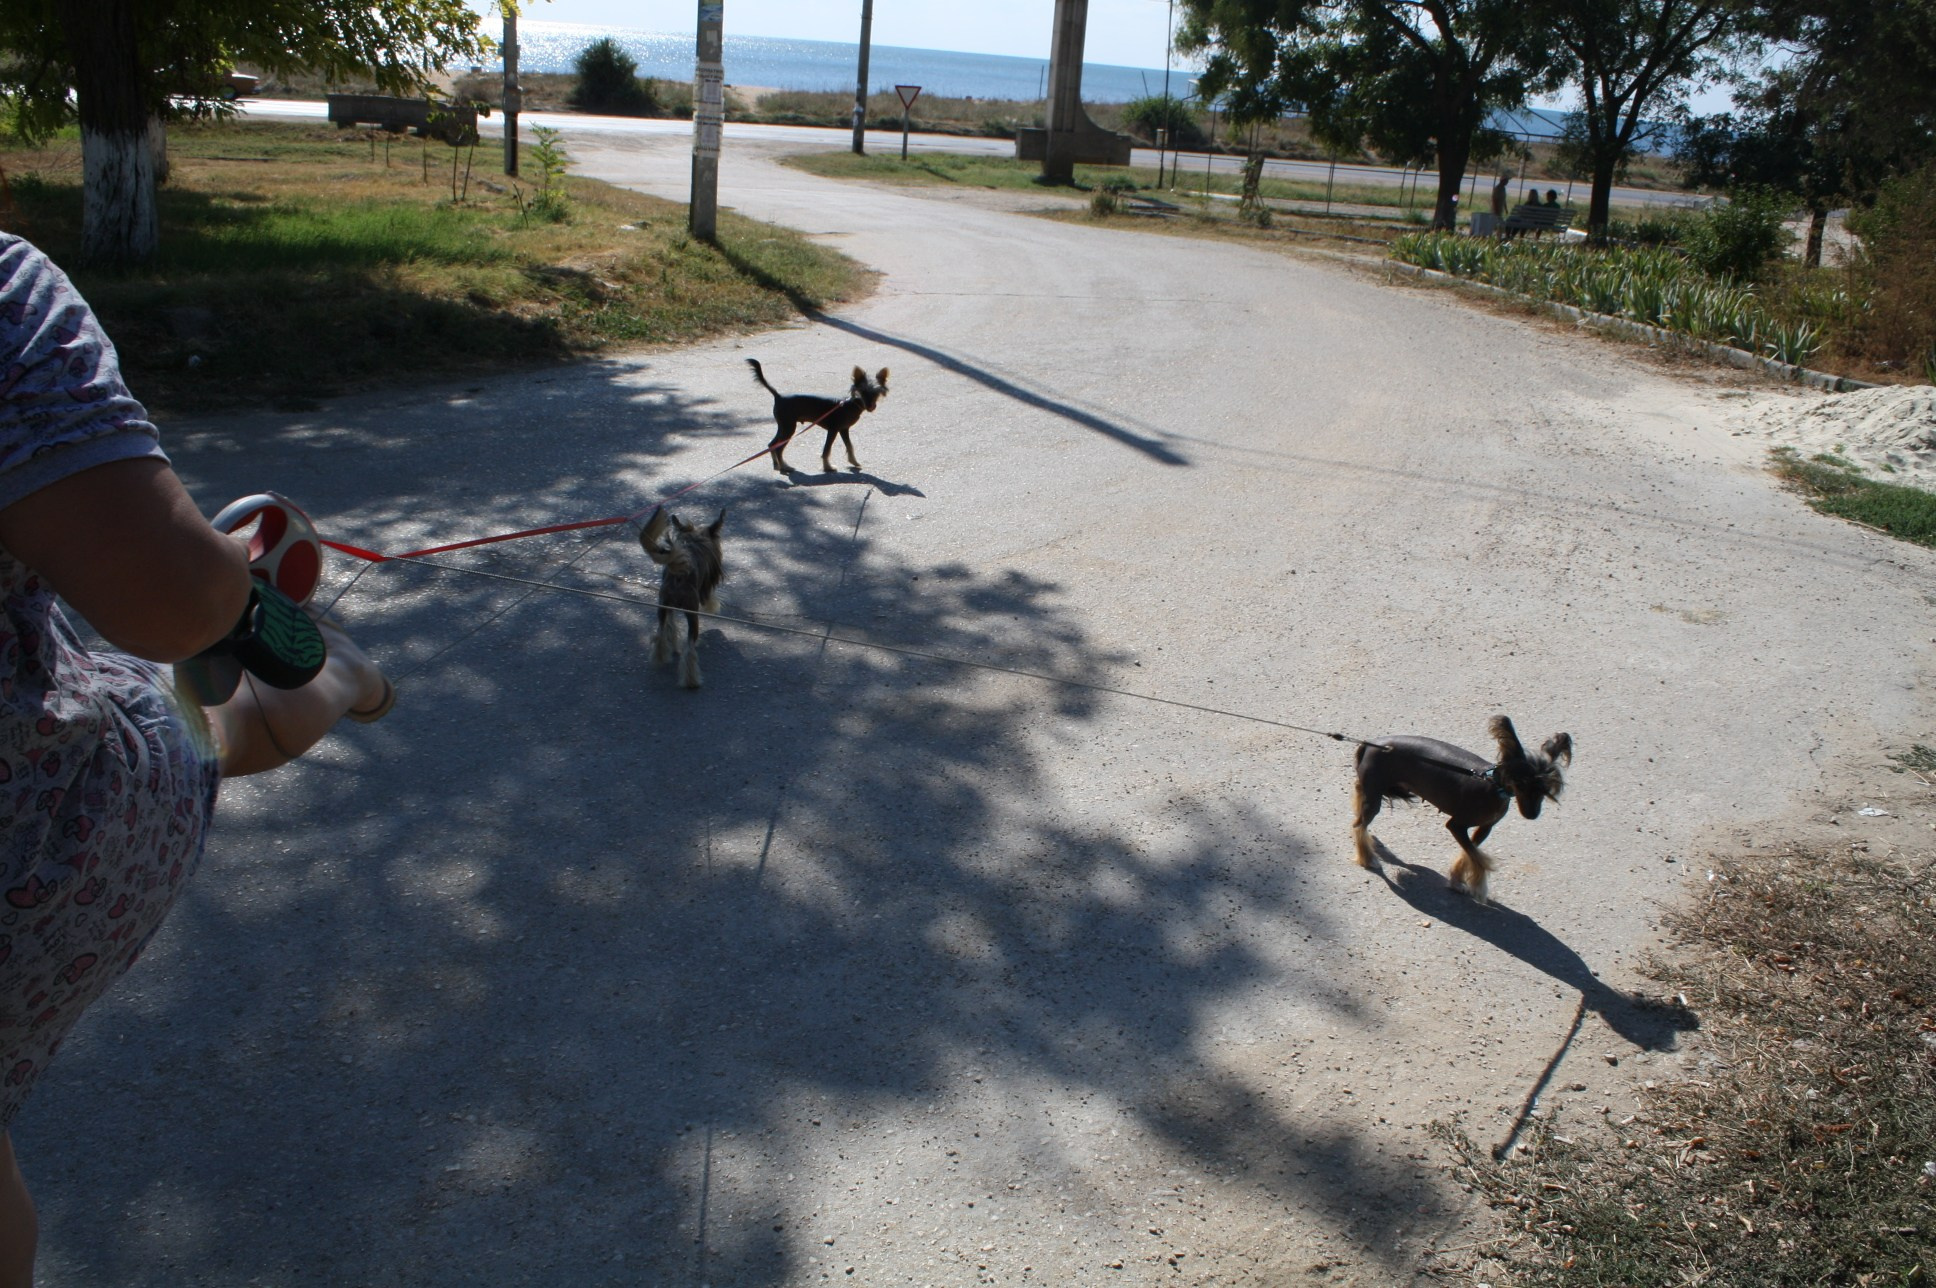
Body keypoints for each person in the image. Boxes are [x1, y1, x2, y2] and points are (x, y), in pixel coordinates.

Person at [0, 233, 393, 1287]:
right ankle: (345, 673)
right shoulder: (4, 291)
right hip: (30, 847)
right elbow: (172, 600)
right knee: (200, 717)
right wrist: (228, 577)